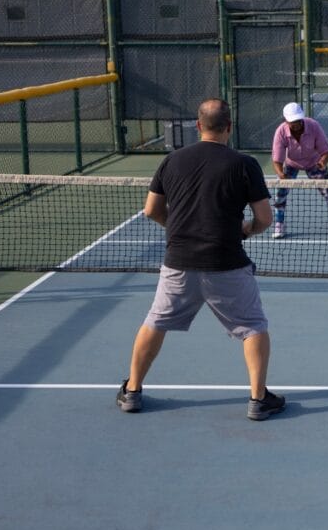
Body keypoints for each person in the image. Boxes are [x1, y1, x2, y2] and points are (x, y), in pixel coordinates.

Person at [117, 98, 285, 421]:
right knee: (253, 327)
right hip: (227, 263)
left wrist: (178, 228)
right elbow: (264, 217)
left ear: (198, 126)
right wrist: (246, 230)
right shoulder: (245, 164)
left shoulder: (172, 161)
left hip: (178, 264)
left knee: (155, 321)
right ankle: (258, 399)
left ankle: (132, 391)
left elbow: (151, 210)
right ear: (230, 127)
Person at [270, 101, 328, 239]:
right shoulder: (281, 132)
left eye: (298, 120)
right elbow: (277, 159)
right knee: (280, 195)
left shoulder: (313, 126)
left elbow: (326, 151)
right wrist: (281, 175)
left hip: (314, 163)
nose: (296, 124)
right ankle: (279, 224)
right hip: (291, 163)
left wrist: (322, 163)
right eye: (292, 121)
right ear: (286, 121)